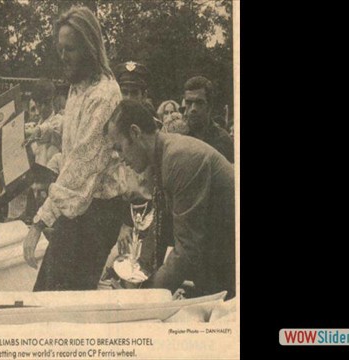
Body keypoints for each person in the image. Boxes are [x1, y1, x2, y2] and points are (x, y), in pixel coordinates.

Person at [22, 6, 127, 291]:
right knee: (50, 293)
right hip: (79, 206)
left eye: (70, 49)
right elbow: (72, 131)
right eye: (60, 49)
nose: (63, 57)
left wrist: (39, 223)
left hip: (97, 211)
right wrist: (39, 131)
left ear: (90, 48)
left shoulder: (104, 95)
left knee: (59, 299)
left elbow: (81, 165)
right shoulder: (78, 86)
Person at [105, 99, 236, 299]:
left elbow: (187, 250)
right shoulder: (163, 156)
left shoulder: (179, 158)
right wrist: (135, 276)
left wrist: (146, 296)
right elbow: (159, 231)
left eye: (119, 147)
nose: (119, 157)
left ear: (135, 133)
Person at [182, 76, 234, 163]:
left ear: (210, 106)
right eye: (189, 103)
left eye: (199, 103)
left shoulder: (223, 139)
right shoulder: (178, 138)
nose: (193, 108)